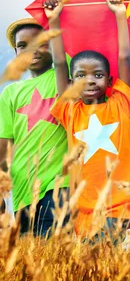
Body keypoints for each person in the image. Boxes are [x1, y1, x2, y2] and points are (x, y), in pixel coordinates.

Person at [47, 0, 130, 239]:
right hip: (83, 207)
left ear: (110, 82)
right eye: (81, 76)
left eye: (98, 75)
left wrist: (120, 16)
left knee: (106, 253)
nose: (90, 80)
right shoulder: (70, 111)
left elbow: (125, 57)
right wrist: (54, 21)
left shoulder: (120, 104)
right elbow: (59, 62)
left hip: (118, 202)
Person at [0, 17, 69, 236]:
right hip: (22, 188)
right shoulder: (10, 93)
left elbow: (61, 60)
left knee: (55, 252)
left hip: (58, 183)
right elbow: (4, 145)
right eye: (23, 45)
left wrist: (54, 18)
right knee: (31, 259)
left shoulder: (64, 73)